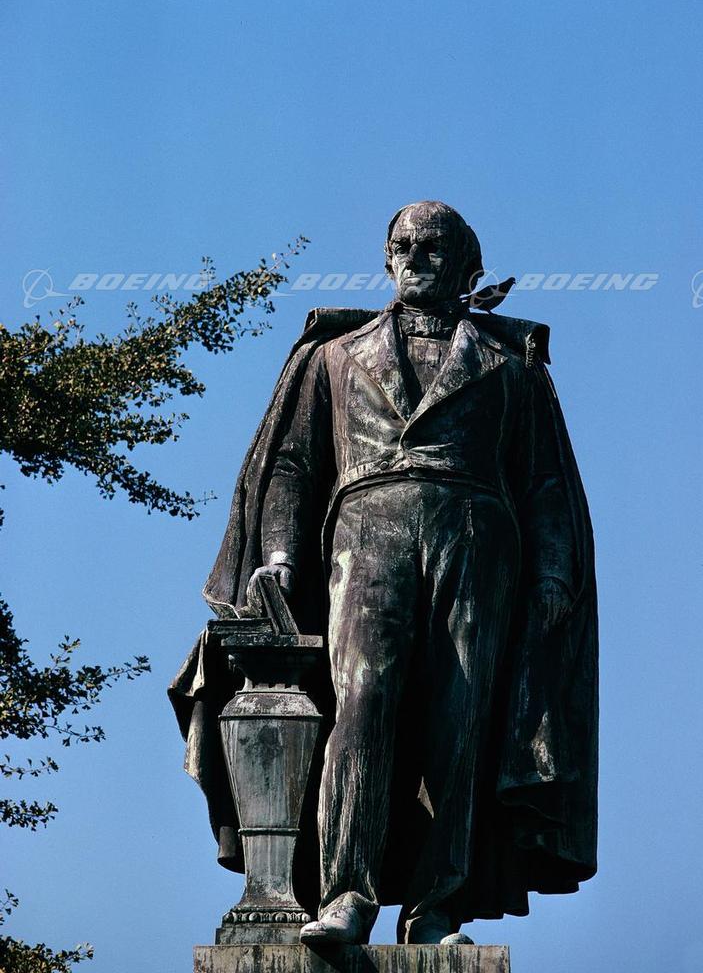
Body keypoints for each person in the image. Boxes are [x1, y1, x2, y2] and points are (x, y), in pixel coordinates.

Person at [184, 201, 597, 946]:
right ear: (385, 258)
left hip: (477, 544)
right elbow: (292, 466)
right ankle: (346, 893)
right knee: (362, 705)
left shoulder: (512, 365)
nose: (416, 257)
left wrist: (553, 576)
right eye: (403, 245)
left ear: (467, 266)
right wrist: (279, 556)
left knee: (460, 721)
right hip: (363, 538)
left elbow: (545, 484)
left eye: (433, 247)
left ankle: (438, 906)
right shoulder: (334, 355)